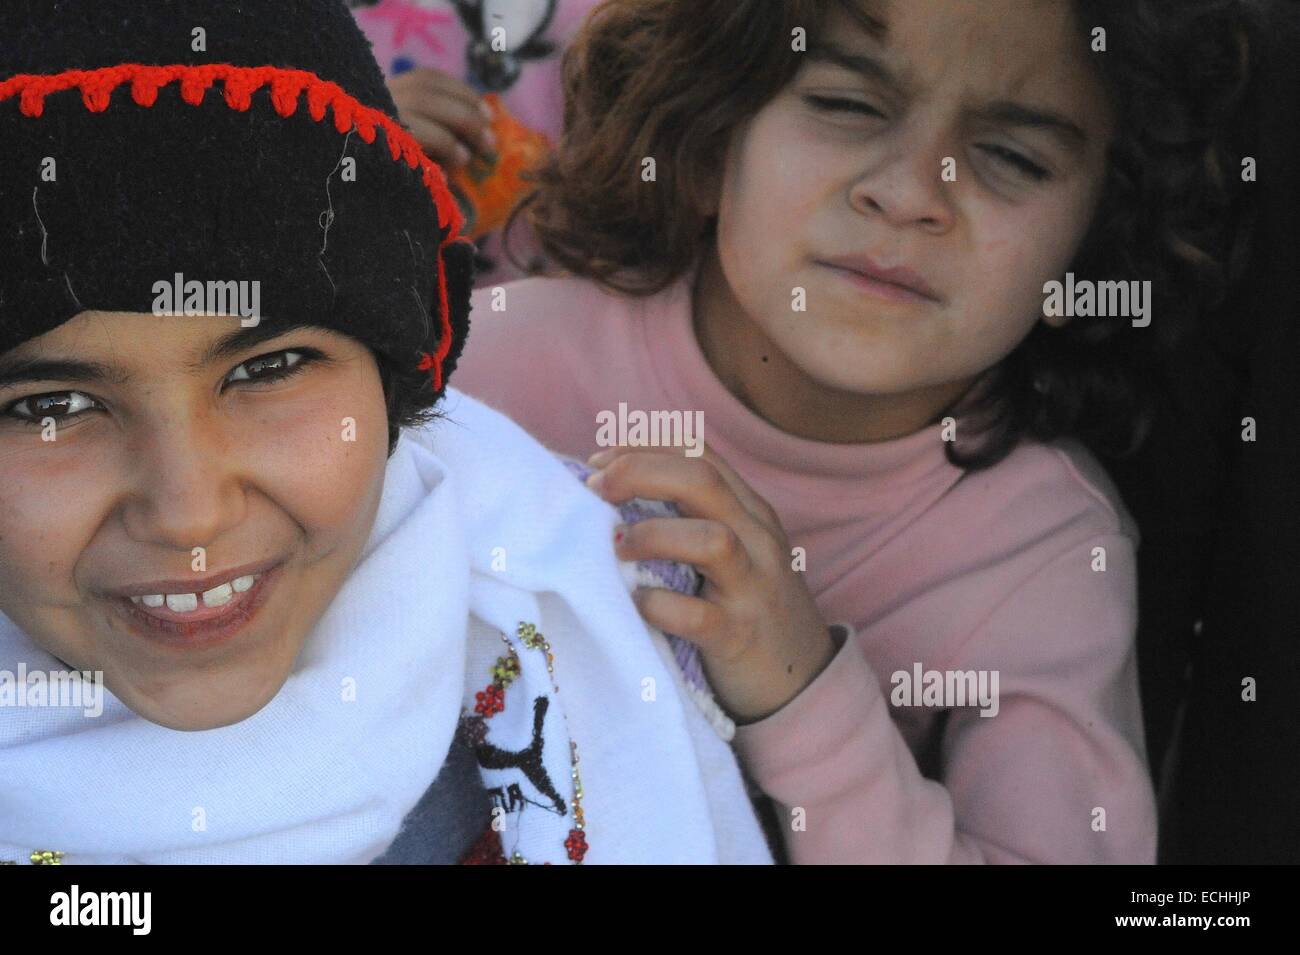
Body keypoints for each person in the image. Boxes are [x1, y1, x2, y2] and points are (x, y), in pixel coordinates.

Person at [452, 0, 1252, 863]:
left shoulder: (1048, 554)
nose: (910, 193)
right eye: (847, 105)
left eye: (1012, 157)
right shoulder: (481, 368)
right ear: (709, 139)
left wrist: (803, 705)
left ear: (1094, 243)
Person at [0, 0, 771, 866]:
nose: (187, 513)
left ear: (395, 377)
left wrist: (799, 701)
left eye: (266, 369)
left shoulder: (607, 598)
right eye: (49, 407)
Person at [346, 0, 605, 286]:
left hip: (587, 311)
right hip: (373, 310)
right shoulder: (303, 23)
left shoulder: (628, 18)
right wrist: (339, 143)